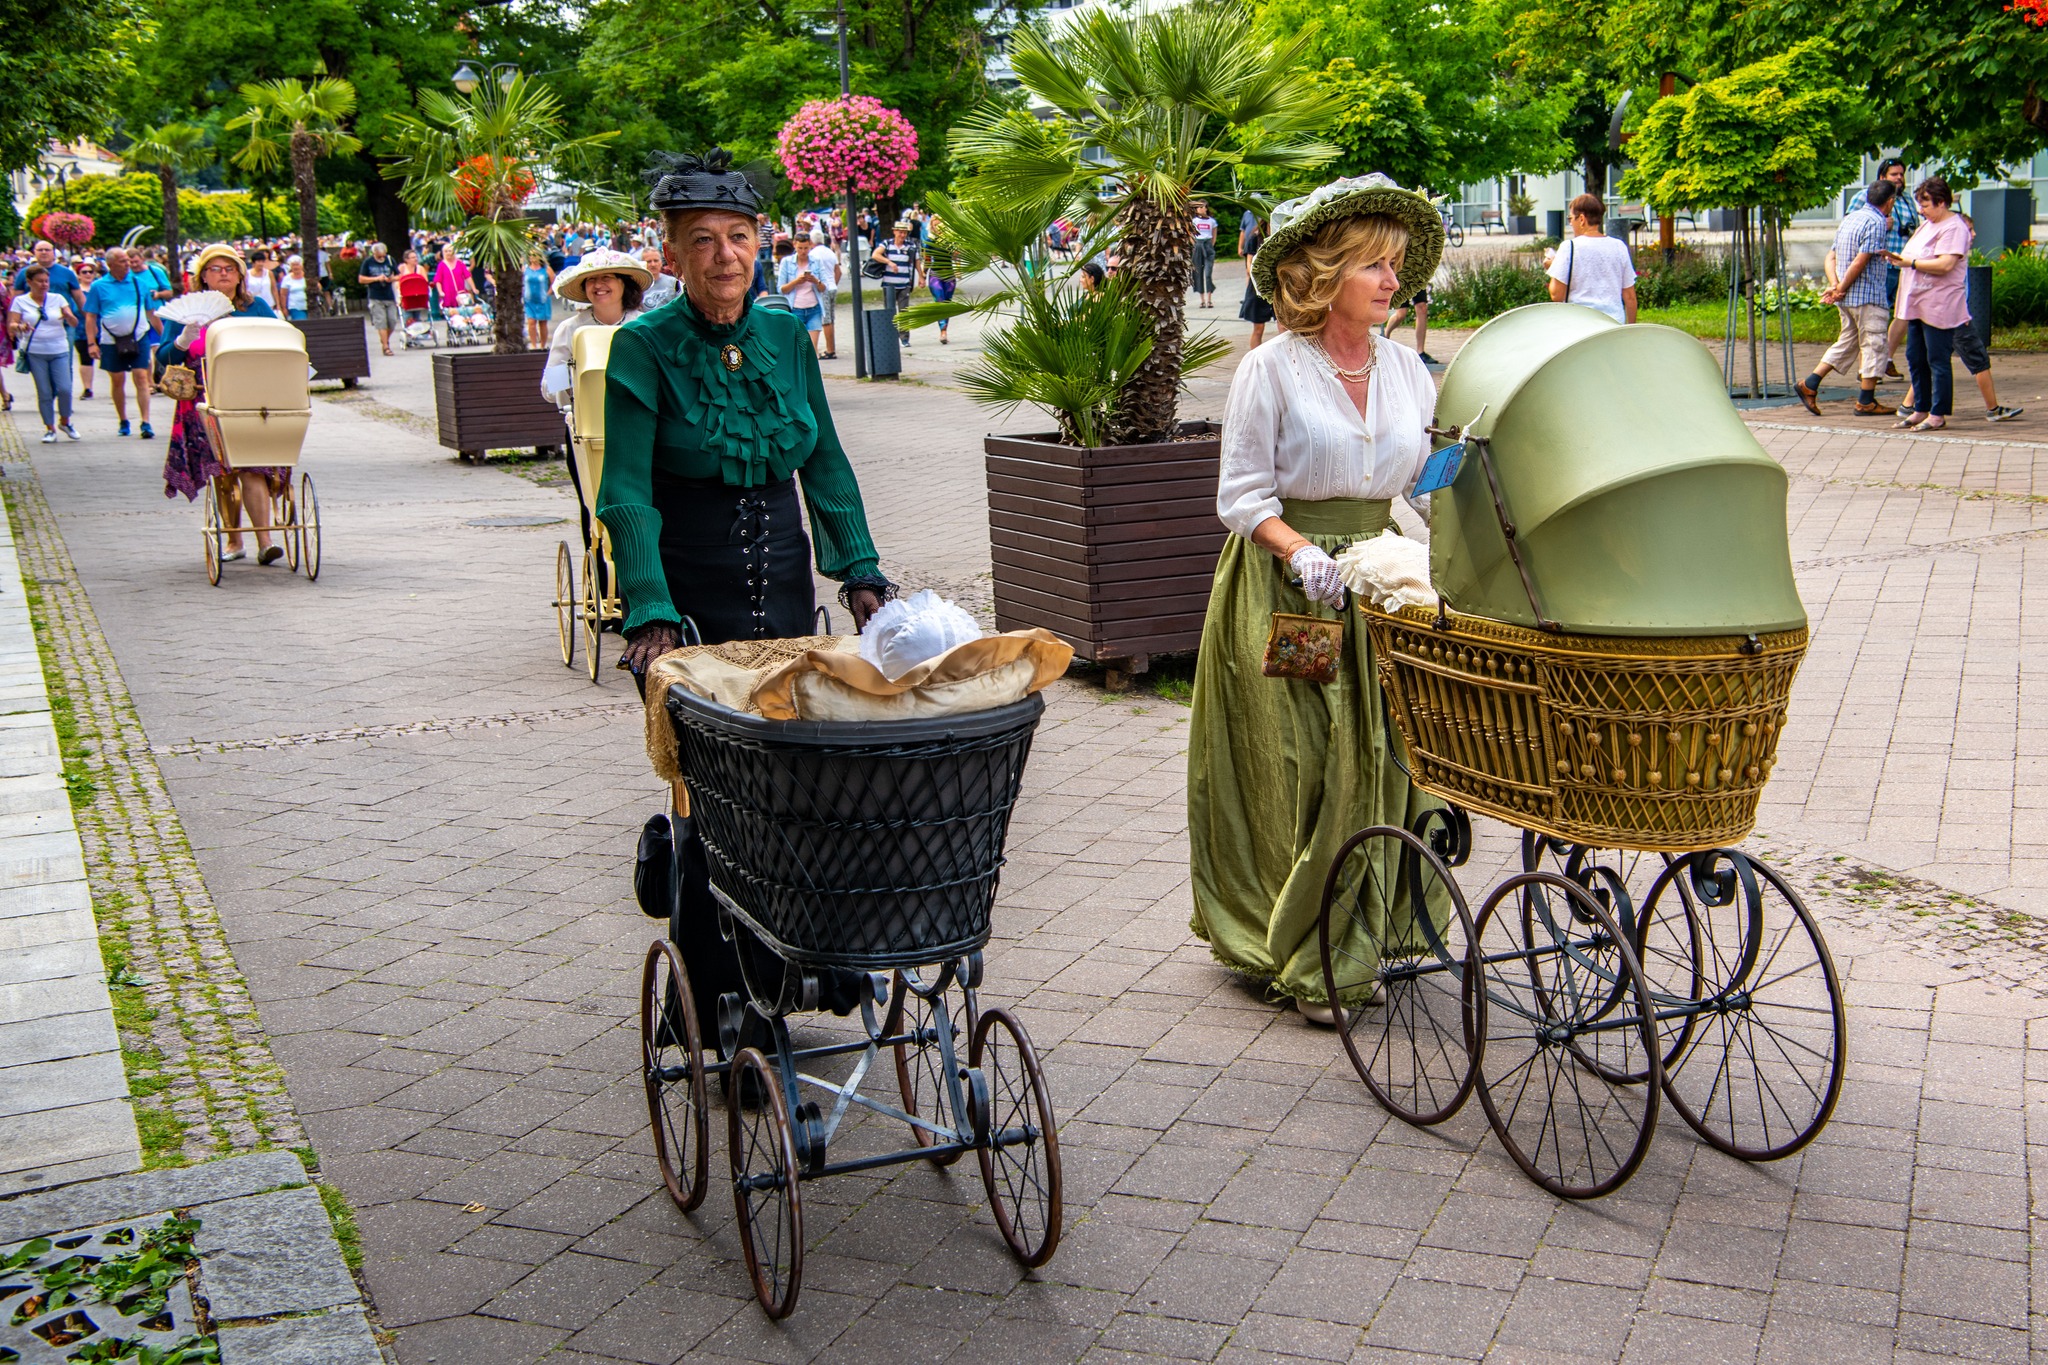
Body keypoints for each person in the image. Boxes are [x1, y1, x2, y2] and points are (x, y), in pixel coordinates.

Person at [598, 149, 898, 1040]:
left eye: (738, 236)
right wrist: (648, 608)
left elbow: (827, 465)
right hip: (690, 606)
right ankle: (712, 996)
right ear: (671, 255)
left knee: (804, 787)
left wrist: (863, 574)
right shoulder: (642, 347)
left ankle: (803, 959)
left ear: (761, 244)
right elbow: (626, 491)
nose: (724, 255)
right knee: (711, 807)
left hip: (783, 597)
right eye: (702, 241)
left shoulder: (784, 338)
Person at [1189, 173, 1445, 1025]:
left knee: (1388, 759)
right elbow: (1241, 495)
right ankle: (1307, 945)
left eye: (1397, 264)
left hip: (1382, 582)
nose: (1390, 280)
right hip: (1286, 588)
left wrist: (1462, 535)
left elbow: (1428, 480)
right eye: (1374, 264)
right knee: (1306, 762)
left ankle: (1371, 928)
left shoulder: (1410, 370)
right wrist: (1300, 553)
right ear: (1325, 272)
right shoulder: (1271, 369)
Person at [157, 245, 288, 564]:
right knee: (223, 471)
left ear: (240, 275)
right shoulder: (188, 310)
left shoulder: (255, 306)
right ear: (202, 276)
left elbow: (281, 341)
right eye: (215, 269)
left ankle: (265, 541)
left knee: (253, 466)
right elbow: (164, 359)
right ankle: (233, 540)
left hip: (251, 396)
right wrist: (183, 340)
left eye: (229, 268)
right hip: (206, 398)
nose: (223, 273)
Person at [1797, 179, 1897, 417]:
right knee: (1874, 344)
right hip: (1867, 296)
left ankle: (1810, 384)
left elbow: (1831, 257)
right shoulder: (1877, 222)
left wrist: (1835, 286)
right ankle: (1866, 401)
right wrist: (1840, 287)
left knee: (1848, 342)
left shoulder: (1850, 219)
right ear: (1889, 202)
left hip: (1847, 298)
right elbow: (1861, 260)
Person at [1889, 177, 1971, 432]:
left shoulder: (1954, 228)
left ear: (1942, 202)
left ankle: (1938, 413)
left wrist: (1910, 263)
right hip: (1917, 303)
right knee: (1916, 357)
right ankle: (1920, 409)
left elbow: (1945, 264)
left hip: (1939, 304)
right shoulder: (1927, 225)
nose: (1921, 211)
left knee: (1937, 359)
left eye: (1926, 205)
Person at [540, 248, 650, 407]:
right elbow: (549, 390)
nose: (598, 285)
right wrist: (574, 372)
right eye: (591, 279)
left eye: (606, 277)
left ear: (624, 282)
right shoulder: (570, 329)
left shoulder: (644, 326)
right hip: (588, 423)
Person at [1849, 158, 1922, 381]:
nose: (1899, 178)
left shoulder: (1907, 199)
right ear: (1882, 177)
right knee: (1875, 317)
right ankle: (1867, 370)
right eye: (1894, 175)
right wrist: (1882, 220)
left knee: (1902, 314)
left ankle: (1885, 359)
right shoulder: (1865, 196)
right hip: (1880, 265)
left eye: (1901, 174)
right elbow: (1851, 223)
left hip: (1903, 264)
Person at [85, 247, 159, 439]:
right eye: (122, 261)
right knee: (117, 380)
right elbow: (91, 316)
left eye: (127, 260)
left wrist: (164, 336)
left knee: (141, 377)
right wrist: (92, 343)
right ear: (110, 264)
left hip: (139, 337)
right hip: (110, 341)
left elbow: (151, 313)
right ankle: (123, 420)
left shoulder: (138, 283)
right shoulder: (99, 286)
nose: (127, 264)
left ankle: (146, 421)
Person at [7, 266, 81, 443]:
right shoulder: (20, 301)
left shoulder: (58, 298)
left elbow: (73, 321)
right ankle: (49, 428)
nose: (44, 284)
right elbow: (12, 324)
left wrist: (69, 316)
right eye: (39, 281)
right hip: (35, 352)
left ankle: (65, 421)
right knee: (45, 391)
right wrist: (21, 327)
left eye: (46, 281)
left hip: (59, 349)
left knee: (64, 388)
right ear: (30, 283)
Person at [1545, 193, 1638, 325]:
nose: (1570, 223)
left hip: (1580, 324)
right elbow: (1630, 297)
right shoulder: (1619, 246)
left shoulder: (1569, 247)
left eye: (1570, 218)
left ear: (1582, 219)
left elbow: (1556, 295)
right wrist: (1630, 328)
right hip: (1613, 323)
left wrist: (1553, 268)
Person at [872, 219, 922, 344]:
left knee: (904, 312)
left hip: (904, 283)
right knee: (889, 311)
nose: (902, 235)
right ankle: (890, 337)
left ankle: (904, 338)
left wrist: (921, 276)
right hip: (889, 284)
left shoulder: (911, 246)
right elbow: (875, 255)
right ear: (894, 232)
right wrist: (889, 262)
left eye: (905, 232)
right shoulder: (887, 244)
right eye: (900, 232)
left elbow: (916, 262)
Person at [775, 236, 826, 352]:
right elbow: (781, 289)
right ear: (794, 245)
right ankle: (800, 370)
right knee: (798, 349)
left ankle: (812, 370)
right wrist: (796, 281)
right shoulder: (787, 262)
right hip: (795, 309)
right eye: (800, 248)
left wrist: (815, 280)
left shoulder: (816, 261)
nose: (803, 251)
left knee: (812, 350)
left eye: (806, 248)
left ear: (810, 246)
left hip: (814, 309)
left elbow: (823, 288)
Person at [1239, 215, 1276, 347]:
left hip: (1277, 286)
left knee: (1284, 328)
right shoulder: (1255, 237)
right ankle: (1255, 360)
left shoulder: (1282, 236)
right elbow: (1249, 261)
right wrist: (1255, 276)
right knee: (1258, 328)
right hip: (1258, 286)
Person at [360, 242, 400, 355]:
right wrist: (376, 279)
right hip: (375, 296)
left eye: (383, 255)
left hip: (389, 295)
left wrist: (391, 279)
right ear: (374, 253)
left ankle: (384, 339)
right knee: (381, 322)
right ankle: (386, 347)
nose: (382, 258)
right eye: (379, 256)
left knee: (392, 321)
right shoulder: (368, 262)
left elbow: (399, 275)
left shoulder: (390, 260)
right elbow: (361, 279)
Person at [805, 231, 840, 359]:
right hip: (832, 287)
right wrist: (833, 284)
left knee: (826, 320)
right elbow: (838, 271)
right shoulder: (830, 252)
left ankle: (830, 350)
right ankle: (832, 347)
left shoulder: (813, 254)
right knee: (831, 319)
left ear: (812, 241)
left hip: (822, 288)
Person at [68, 256, 98, 400]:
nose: (88, 274)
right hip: (81, 329)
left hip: (102, 327)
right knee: (85, 358)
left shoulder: (98, 288)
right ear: (78, 275)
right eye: (84, 272)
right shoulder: (75, 291)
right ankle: (88, 388)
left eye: (90, 272)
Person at [522, 250, 555, 347]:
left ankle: (542, 345)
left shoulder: (546, 269)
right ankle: (533, 345)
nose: (532, 257)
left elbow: (554, 282)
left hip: (542, 300)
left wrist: (548, 293)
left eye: (534, 255)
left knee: (542, 323)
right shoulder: (525, 269)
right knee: (531, 323)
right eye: (531, 255)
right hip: (529, 300)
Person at [1190, 200, 1219, 309]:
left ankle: (1209, 299)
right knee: (1198, 273)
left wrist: (1211, 245)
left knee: (1208, 274)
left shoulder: (1212, 221)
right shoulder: (1194, 221)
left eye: (1204, 207)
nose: (1202, 209)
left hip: (1208, 246)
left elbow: (1214, 234)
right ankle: (1202, 300)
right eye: (1200, 207)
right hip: (1198, 245)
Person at [639, 246, 678, 310]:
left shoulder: (673, 282)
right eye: (649, 261)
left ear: (661, 262)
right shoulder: (638, 287)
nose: (653, 264)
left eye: (656, 260)